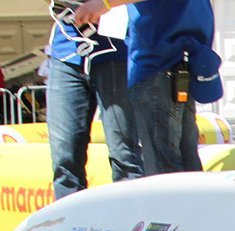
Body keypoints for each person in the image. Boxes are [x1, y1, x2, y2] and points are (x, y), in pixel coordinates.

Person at [74, 0, 223, 175]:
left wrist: (105, 4)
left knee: (164, 170)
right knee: (186, 163)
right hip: (180, 57)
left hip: (158, 61)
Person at [45, 0, 143, 200]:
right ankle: (67, 222)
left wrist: (105, 4)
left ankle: (132, 221)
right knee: (64, 154)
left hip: (116, 50)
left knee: (124, 154)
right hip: (67, 50)